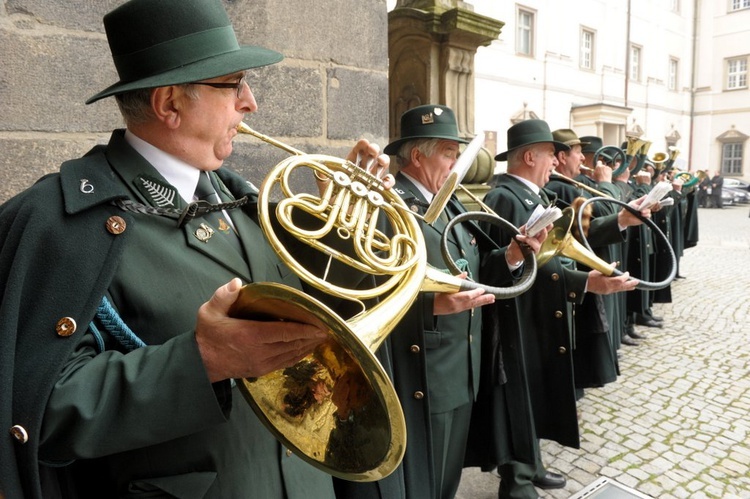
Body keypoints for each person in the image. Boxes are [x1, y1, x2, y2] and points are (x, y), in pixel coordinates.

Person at [0, 1, 393, 498]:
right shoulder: (59, 220)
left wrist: (348, 231)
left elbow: (311, 317)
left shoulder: (243, 199)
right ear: (169, 104)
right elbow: (43, 412)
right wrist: (202, 359)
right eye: (233, 85)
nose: (250, 103)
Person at [334, 104, 545, 499]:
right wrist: (430, 307)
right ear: (418, 156)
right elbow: (363, 290)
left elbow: (475, 268)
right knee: (419, 483)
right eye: (449, 153)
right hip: (420, 373)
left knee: (445, 481)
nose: (456, 164)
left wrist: (515, 255)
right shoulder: (388, 203)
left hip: (460, 370)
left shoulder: (449, 202)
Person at [477, 119, 645, 499]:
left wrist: (588, 279)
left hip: (539, 309)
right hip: (518, 315)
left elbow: (553, 257)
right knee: (517, 392)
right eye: (551, 154)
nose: (556, 162)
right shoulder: (504, 197)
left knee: (535, 389)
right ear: (530, 155)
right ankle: (516, 481)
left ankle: (531, 465)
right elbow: (492, 264)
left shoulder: (533, 196)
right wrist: (584, 280)